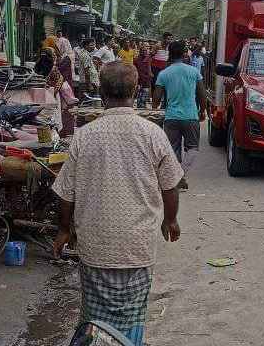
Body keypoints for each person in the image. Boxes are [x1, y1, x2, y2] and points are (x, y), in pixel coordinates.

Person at [52, 62, 183, 345]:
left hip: (95, 247)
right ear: (135, 91)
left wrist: (64, 229)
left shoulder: (84, 135)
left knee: (94, 317)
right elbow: (170, 186)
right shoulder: (153, 134)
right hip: (137, 247)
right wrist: (170, 220)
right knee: (132, 317)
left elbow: (66, 193)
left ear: (101, 93)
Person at [153, 41, 206, 190]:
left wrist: (155, 110)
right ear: (184, 54)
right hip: (191, 116)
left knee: (172, 150)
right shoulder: (194, 72)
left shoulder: (164, 74)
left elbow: (156, 100)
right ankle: (181, 175)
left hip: (171, 117)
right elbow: (201, 94)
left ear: (170, 54)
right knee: (193, 148)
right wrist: (203, 111)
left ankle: (177, 177)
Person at [134, 44, 154, 108]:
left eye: (145, 50)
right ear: (140, 51)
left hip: (146, 79)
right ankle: (140, 105)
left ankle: (142, 105)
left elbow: (150, 68)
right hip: (139, 79)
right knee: (139, 94)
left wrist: (151, 74)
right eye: (143, 50)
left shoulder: (149, 59)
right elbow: (135, 69)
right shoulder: (136, 59)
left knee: (145, 93)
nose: (144, 52)